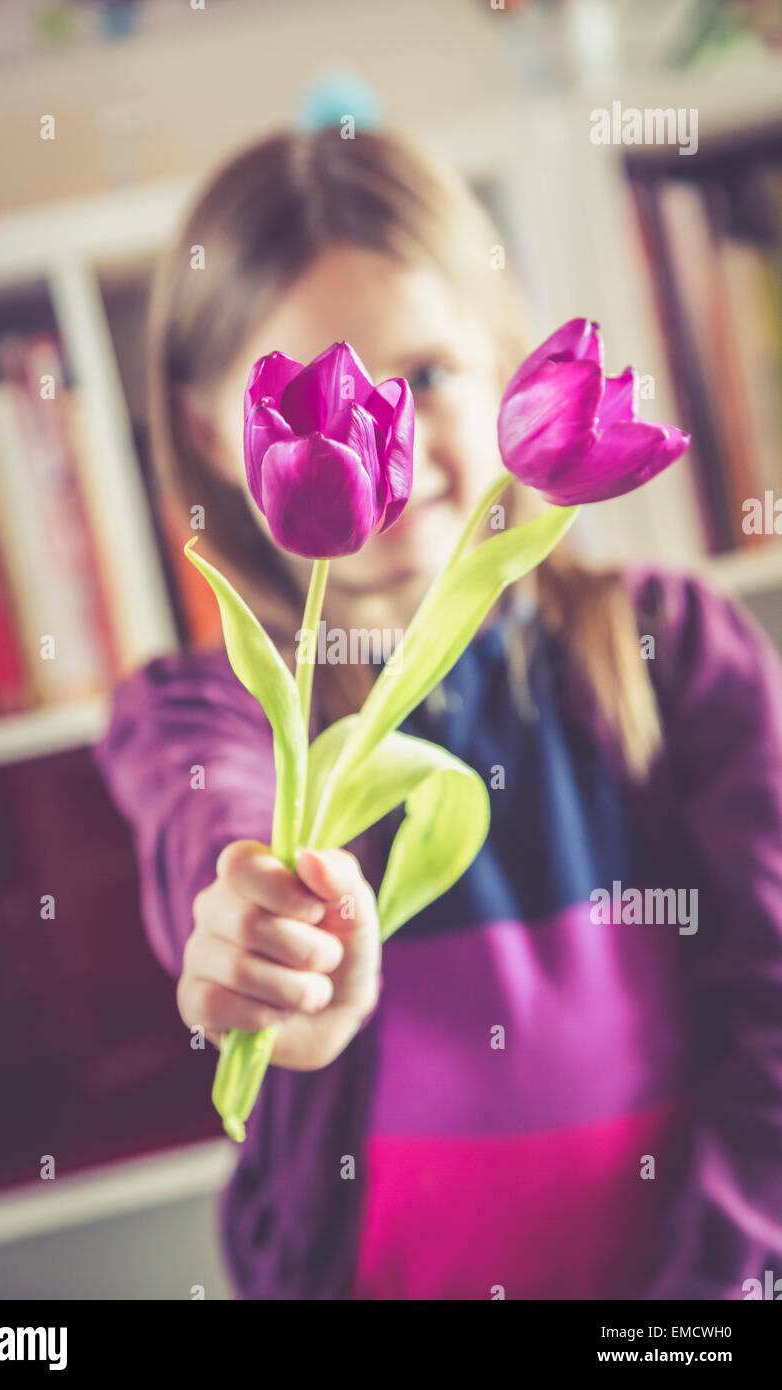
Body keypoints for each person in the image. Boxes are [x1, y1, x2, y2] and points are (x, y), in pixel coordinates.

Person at [94, 127, 782, 1300]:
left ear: (508, 358)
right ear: (213, 434)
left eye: (422, 377)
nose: (389, 442)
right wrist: (267, 946)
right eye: (330, 393)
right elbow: (211, 827)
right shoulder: (202, 711)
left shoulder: (672, 650)